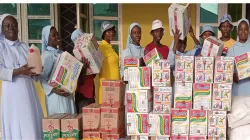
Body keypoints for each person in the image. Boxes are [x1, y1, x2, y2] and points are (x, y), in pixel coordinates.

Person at [0, 14, 43, 139]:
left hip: (28, 91)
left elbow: (32, 71)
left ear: (18, 28)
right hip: (12, 93)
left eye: (14, 25)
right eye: (7, 26)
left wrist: (37, 70)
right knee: (15, 124)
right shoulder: (1, 47)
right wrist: (19, 71)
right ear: (2, 29)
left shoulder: (25, 47)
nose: (11, 28)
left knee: (30, 122)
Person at [39, 25, 76, 116]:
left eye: (57, 34)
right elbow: (42, 77)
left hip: (66, 94)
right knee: (59, 123)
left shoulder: (62, 53)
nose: (57, 37)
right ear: (47, 39)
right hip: (56, 96)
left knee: (69, 123)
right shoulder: (47, 56)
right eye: (53, 35)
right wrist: (54, 90)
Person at [227, 19, 250, 139]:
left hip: (249, 91)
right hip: (237, 92)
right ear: (237, 31)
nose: (243, 32)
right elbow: (226, 69)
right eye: (240, 29)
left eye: (245, 29)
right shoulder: (232, 49)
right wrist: (232, 75)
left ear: (249, 30)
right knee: (237, 124)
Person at [71, 29, 95, 113]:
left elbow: (93, 76)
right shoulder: (75, 57)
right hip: (82, 96)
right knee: (84, 123)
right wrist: (83, 68)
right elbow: (79, 81)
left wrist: (93, 64)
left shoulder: (87, 54)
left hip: (91, 94)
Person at [98, 21, 120, 104]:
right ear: (103, 33)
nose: (112, 33)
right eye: (108, 31)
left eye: (113, 31)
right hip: (108, 90)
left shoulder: (110, 48)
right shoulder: (101, 48)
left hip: (115, 87)